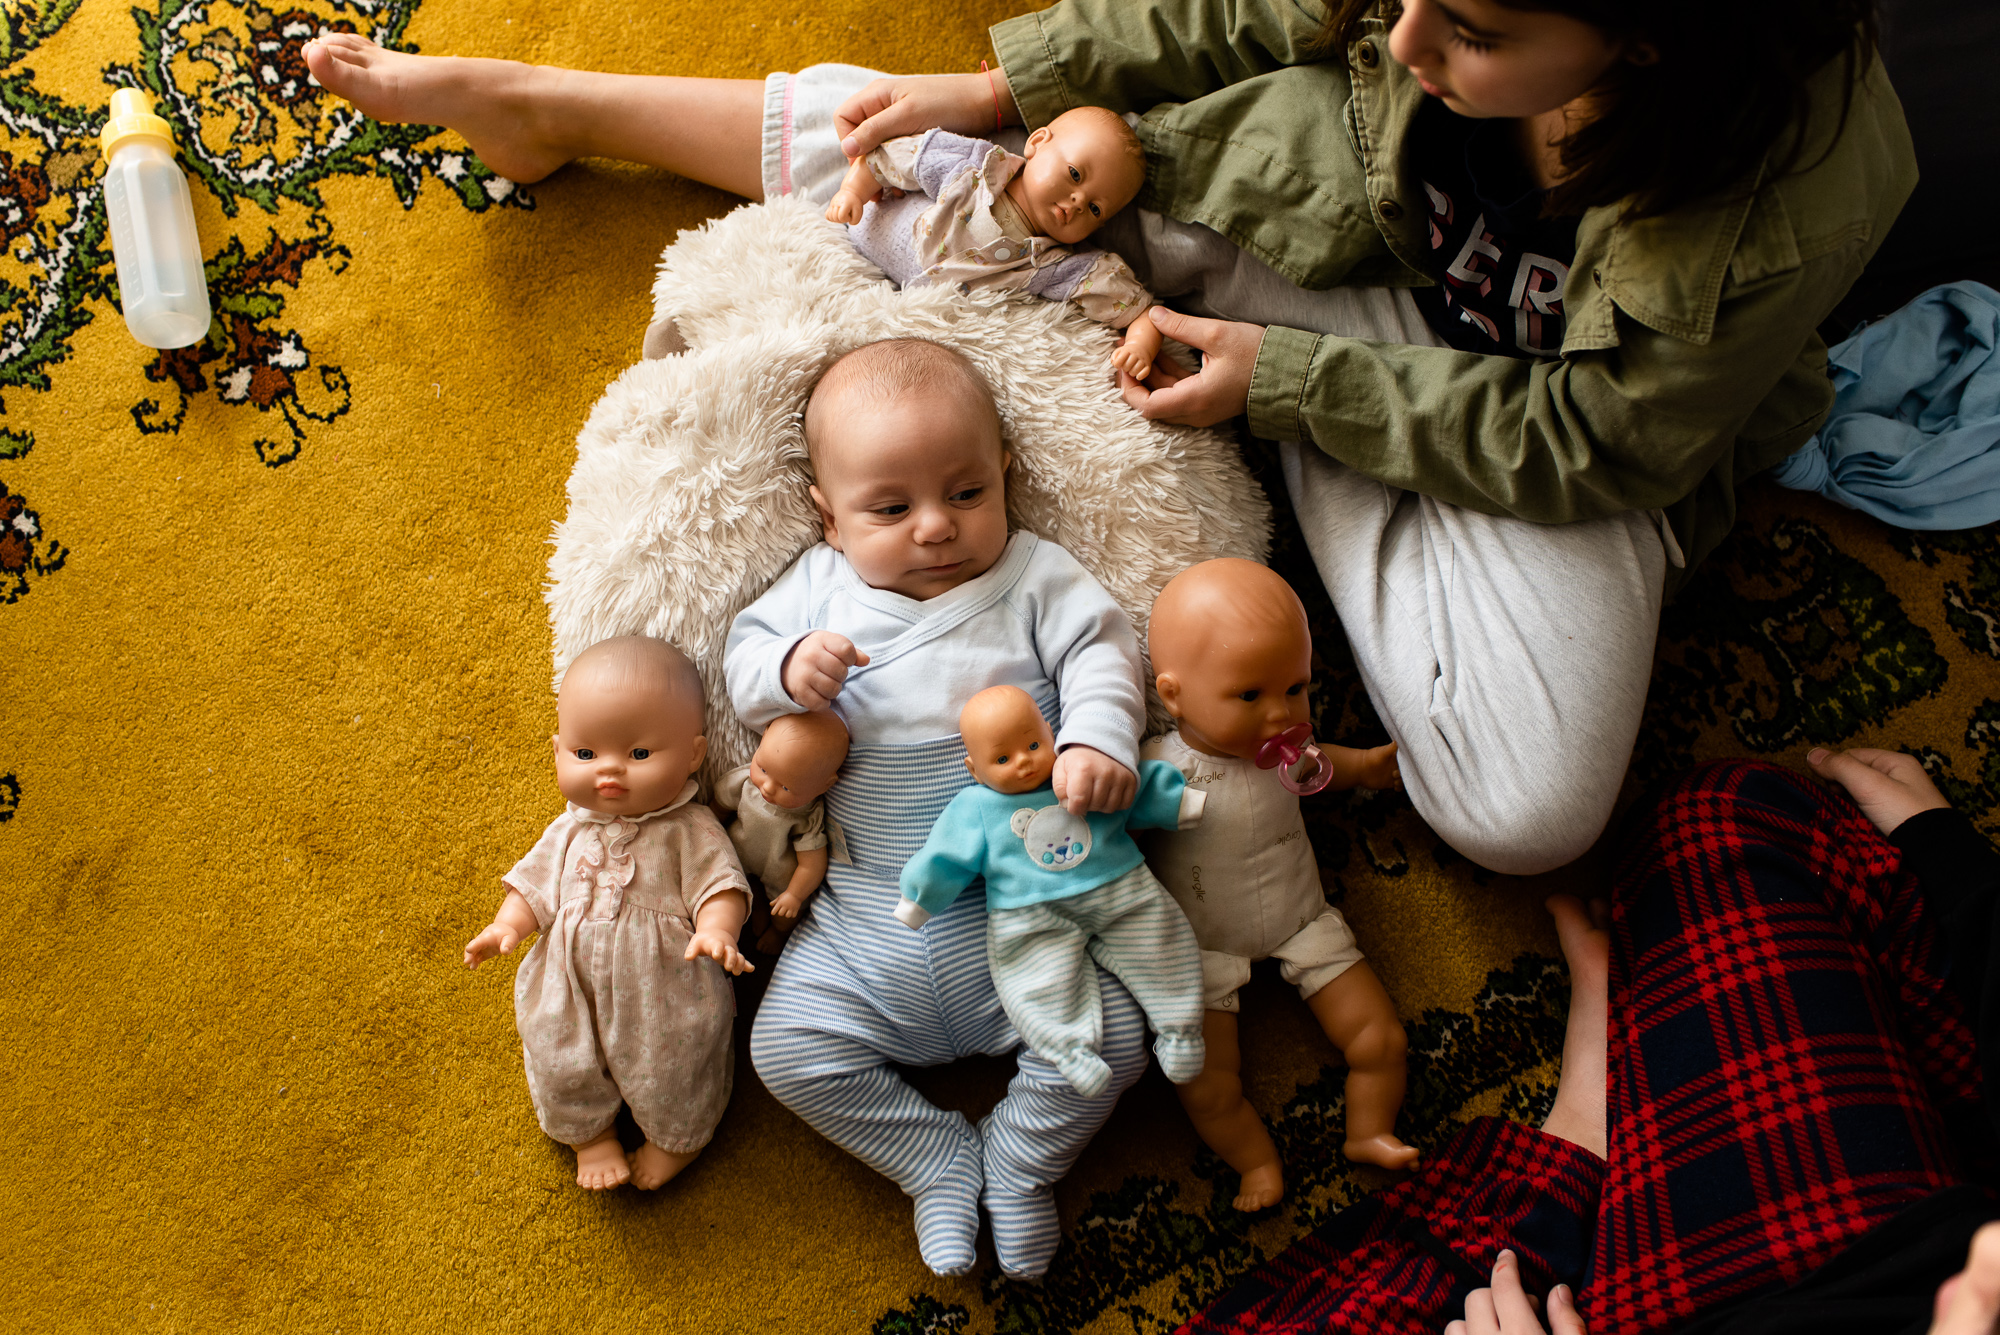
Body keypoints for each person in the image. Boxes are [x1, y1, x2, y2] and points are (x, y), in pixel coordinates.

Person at [301, 0, 1915, 876]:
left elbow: (1606, 439)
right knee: (985, 178)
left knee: (1524, 815)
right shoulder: (1401, 42)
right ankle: (556, 103)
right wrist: (995, 86)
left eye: (1471, 33)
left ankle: (1279, 443)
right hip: (1335, 227)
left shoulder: (1785, 182)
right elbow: (1248, 19)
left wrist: (1283, 386)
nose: (1404, 36)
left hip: (1551, 409)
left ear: (1646, 36)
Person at [1179, 744, 2000, 1335]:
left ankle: (1575, 1148)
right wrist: (1950, 864)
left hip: (1752, 1299)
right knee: (1723, 813)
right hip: (1896, 1263)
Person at [722, 339, 1153, 1280]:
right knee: (785, 1051)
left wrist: (1095, 741)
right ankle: (932, 1156)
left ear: (1006, 473)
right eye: (890, 507)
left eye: (966, 494)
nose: (934, 529)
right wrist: (788, 672)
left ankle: (1021, 1157)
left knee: (1124, 1032)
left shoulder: (1035, 576)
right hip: (871, 920)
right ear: (827, 518)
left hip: (1029, 918)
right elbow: (742, 659)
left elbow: (1104, 654)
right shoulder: (817, 590)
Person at [462, 636, 754, 1192]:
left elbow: (723, 884)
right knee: (556, 1047)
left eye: (640, 754)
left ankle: (676, 1139)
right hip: (567, 978)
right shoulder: (568, 829)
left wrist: (718, 931)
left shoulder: (691, 829)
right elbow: (534, 883)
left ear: (694, 755)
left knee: (677, 1058)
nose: (609, 772)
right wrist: (508, 924)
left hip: (664, 981)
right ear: (556, 751)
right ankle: (588, 1135)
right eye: (585, 755)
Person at [825, 106, 1169, 380]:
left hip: (917, 328)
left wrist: (1140, 344)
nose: (1078, 201)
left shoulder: (1055, 264)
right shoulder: (974, 167)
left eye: (1094, 208)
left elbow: (1138, 308)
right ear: (1037, 142)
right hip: (871, 228)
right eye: (1075, 174)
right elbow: (901, 155)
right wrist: (853, 189)